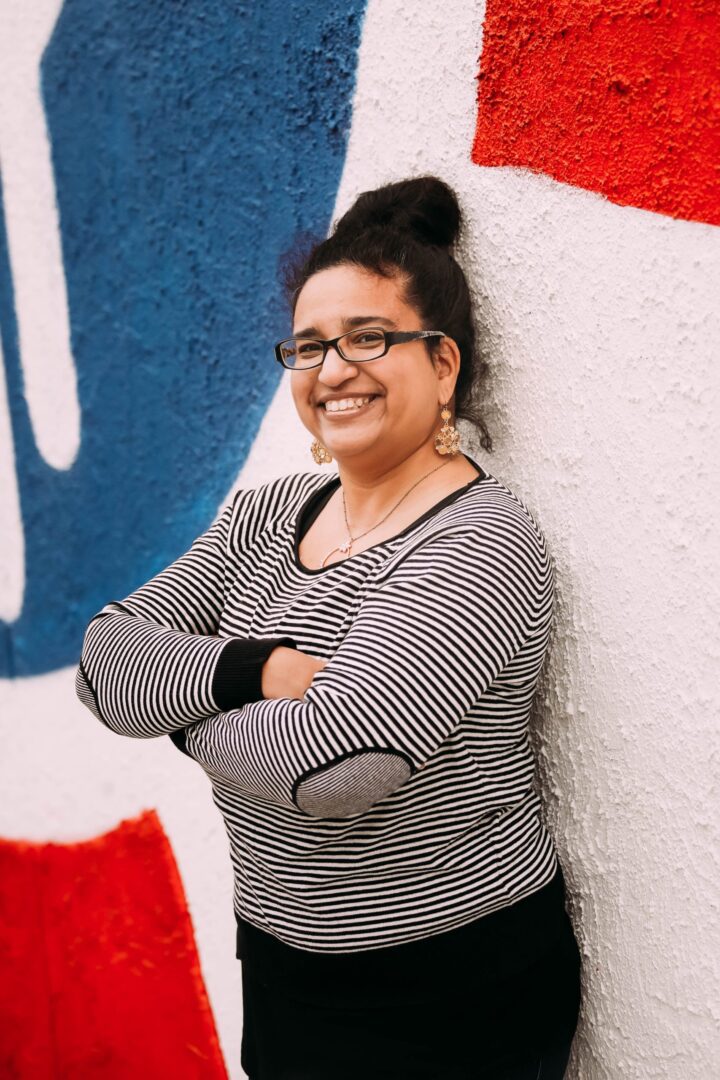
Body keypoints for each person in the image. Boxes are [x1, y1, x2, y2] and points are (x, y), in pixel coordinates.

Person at [76, 176, 582, 1079]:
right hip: (281, 972)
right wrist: (258, 671)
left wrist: (177, 707)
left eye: (369, 337)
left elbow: (334, 766)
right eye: (309, 346)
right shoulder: (267, 515)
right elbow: (102, 664)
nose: (332, 369)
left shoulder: (482, 544)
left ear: (443, 364)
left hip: (451, 998)